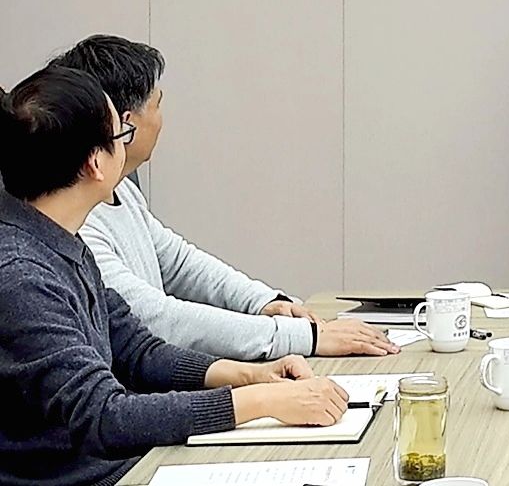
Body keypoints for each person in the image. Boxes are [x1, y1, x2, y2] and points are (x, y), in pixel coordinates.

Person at [0, 64, 352, 486]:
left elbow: (138, 351)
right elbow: (104, 416)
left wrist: (251, 375)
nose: (127, 147)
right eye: (120, 136)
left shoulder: (60, 240)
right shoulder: (21, 276)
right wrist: (260, 401)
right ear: (95, 163)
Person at [51, 35, 397, 362]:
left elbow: (179, 262)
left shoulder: (120, 188)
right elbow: (157, 320)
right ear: (125, 126)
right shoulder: (76, 221)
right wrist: (305, 338)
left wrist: (264, 302)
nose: (162, 119)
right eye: (158, 104)